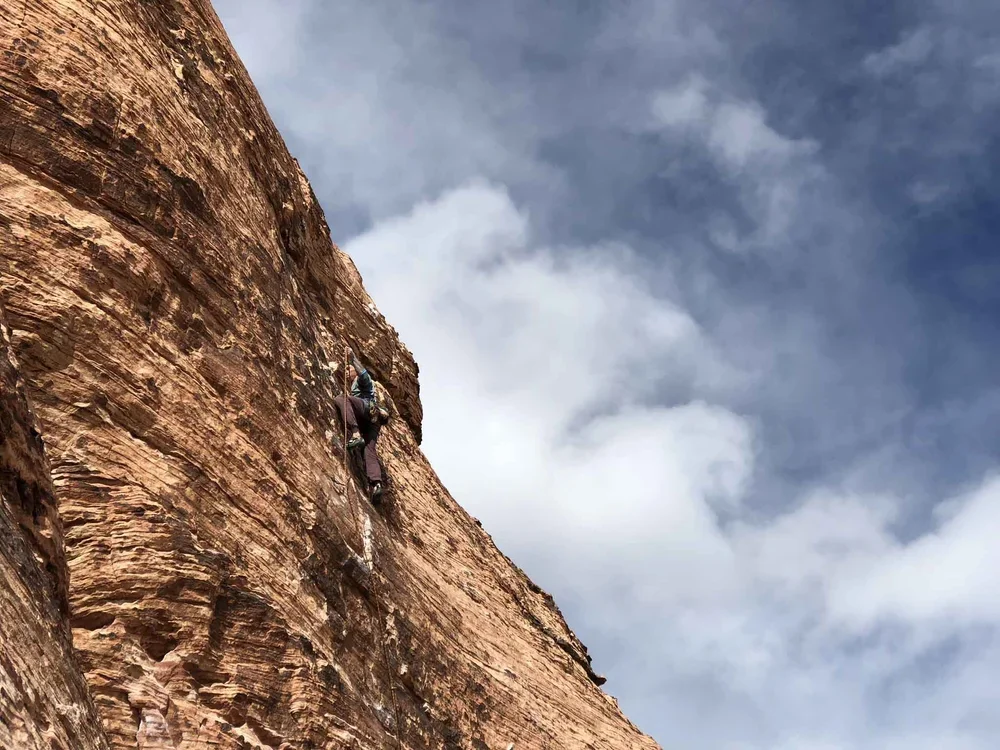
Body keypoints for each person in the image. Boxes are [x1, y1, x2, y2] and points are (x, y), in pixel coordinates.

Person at [333, 347, 384, 499]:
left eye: (349, 369)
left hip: (367, 409)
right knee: (369, 450)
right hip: (373, 422)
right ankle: (375, 484)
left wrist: (353, 359)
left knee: (342, 399)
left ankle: (355, 433)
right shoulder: (356, 386)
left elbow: (364, 374)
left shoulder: (362, 382)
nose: (347, 372)